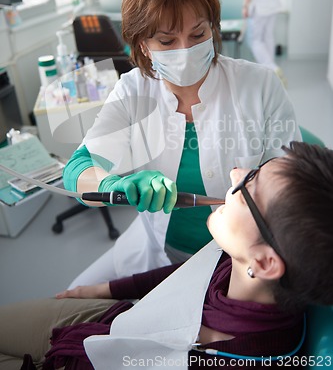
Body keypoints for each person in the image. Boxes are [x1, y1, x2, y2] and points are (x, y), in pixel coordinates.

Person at [62, 0, 301, 288]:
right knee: (71, 298)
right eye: (166, 41)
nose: (185, 49)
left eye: (198, 34)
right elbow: (77, 170)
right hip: (155, 254)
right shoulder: (133, 90)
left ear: (213, 27)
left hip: (239, 263)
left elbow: (290, 182)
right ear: (143, 45)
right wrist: (112, 186)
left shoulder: (258, 86)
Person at [1, 142, 333, 370]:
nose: (235, 172)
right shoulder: (242, 260)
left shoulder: (227, 355)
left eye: (249, 184)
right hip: (117, 319)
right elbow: (185, 275)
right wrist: (102, 290)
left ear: (263, 263)